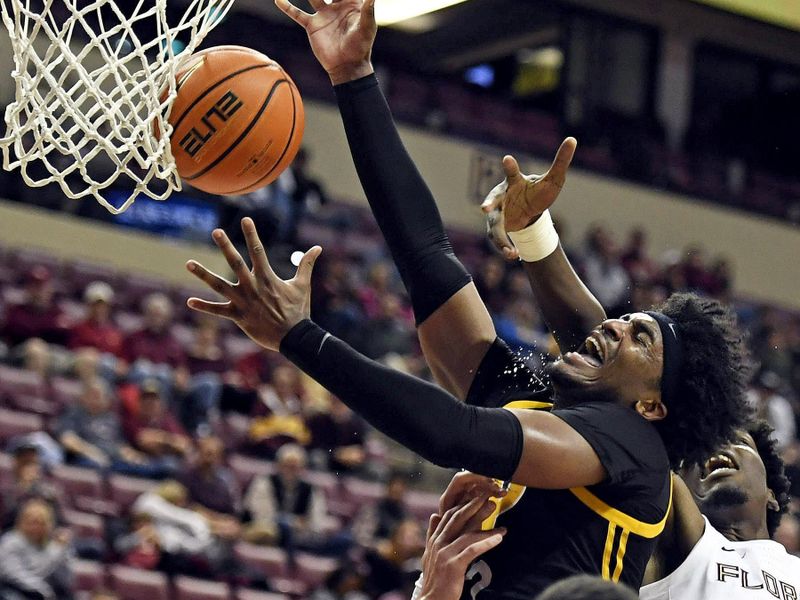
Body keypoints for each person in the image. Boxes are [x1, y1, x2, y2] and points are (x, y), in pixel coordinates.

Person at [186, 3, 750, 597]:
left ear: (655, 407)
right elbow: (428, 258)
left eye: (641, 338)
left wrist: (300, 338)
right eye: (628, 318)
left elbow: (452, 432)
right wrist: (354, 78)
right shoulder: (527, 399)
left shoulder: (632, 447)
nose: (615, 326)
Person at [640, 419, 799, 599]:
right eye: (695, 451)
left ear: (771, 494)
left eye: (740, 441)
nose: (716, 446)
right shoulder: (676, 545)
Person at [0, 498, 74, 600]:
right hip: (12, 589)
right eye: (32, 522)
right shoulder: (11, 541)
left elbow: (66, 580)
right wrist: (42, 589)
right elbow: (13, 574)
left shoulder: (52, 547)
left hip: (41, 594)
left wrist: (64, 550)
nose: (36, 527)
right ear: (22, 522)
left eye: (41, 523)